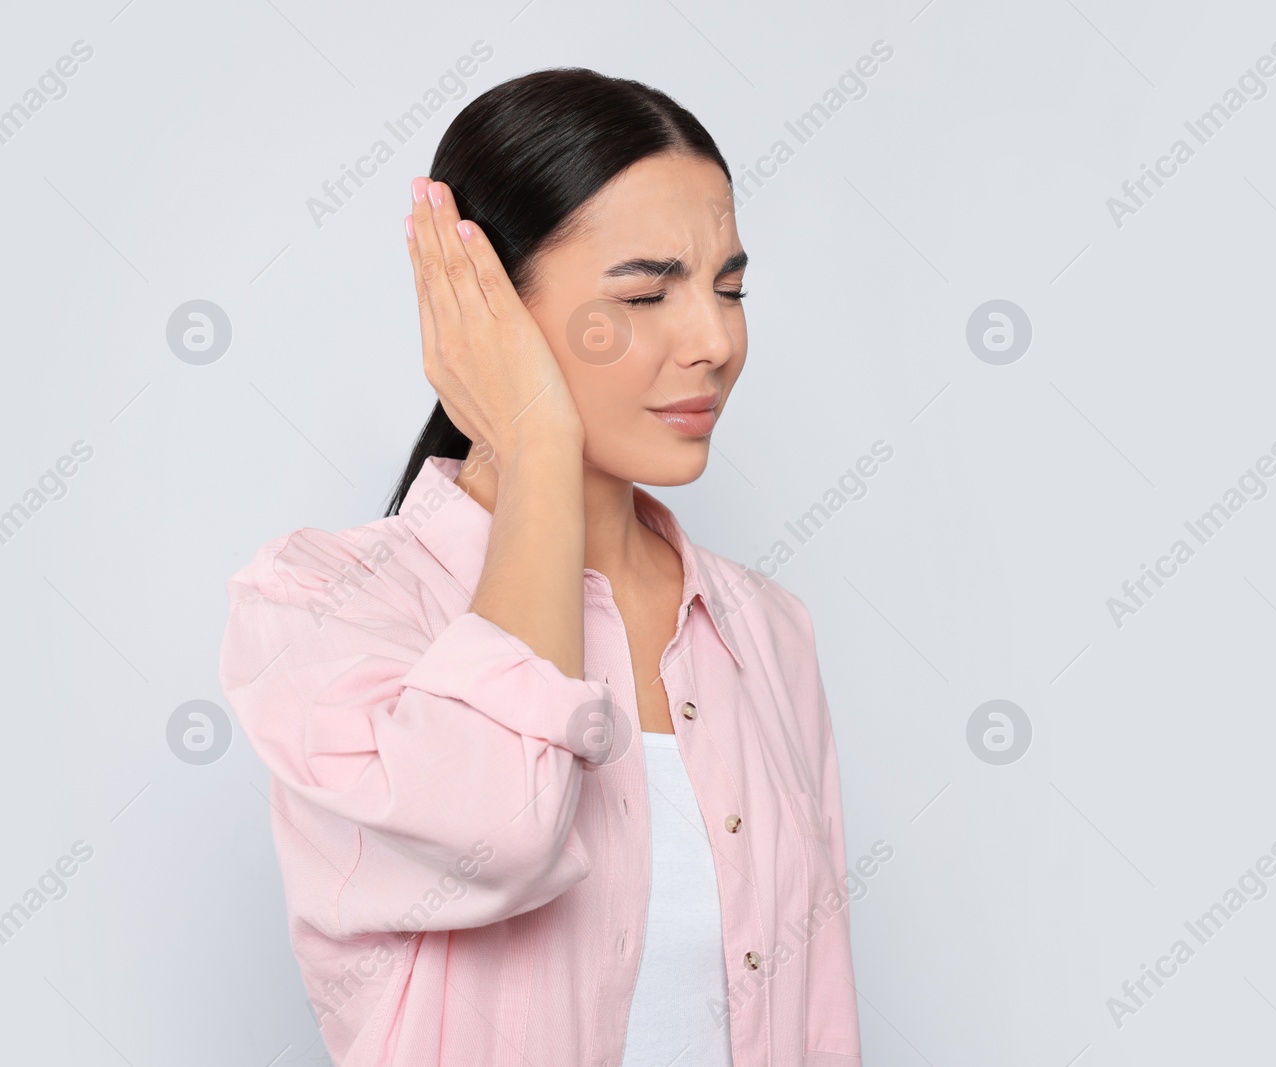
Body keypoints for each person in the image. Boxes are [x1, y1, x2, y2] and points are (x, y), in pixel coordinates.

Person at [217, 67, 862, 1067]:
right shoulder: (319, 608)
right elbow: (498, 829)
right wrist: (532, 439)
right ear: (484, 308)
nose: (714, 340)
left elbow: (816, 1016)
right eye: (645, 293)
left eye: (730, 287)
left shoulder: (763, 628)